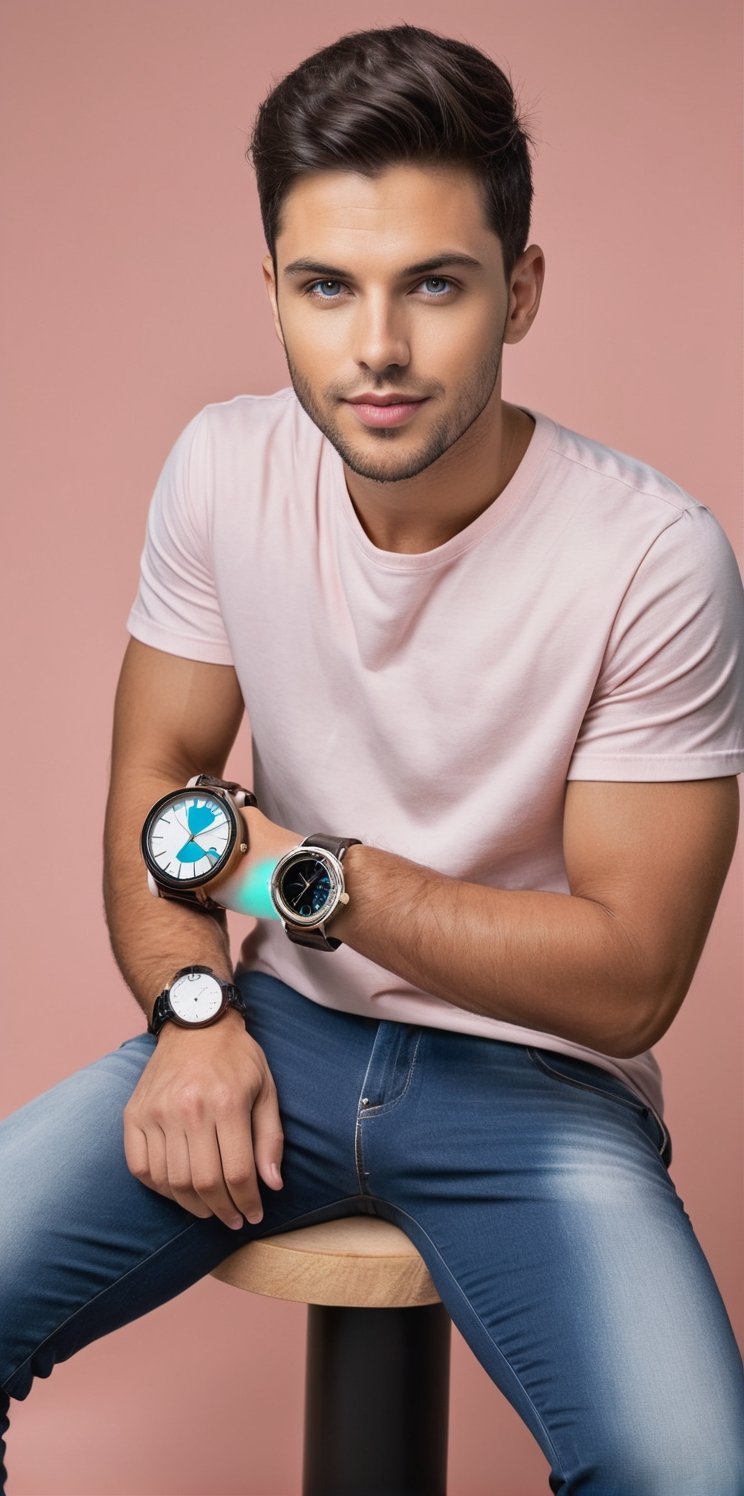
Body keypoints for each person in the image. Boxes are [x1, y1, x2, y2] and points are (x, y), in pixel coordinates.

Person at [2, 21, 743, 1495]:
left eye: (436, 286)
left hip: (539, 1089)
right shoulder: (224, 464)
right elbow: (155, 782)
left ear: (520, 291)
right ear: (270, 283)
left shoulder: (654, 558)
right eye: (327, 287)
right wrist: (197, 1007)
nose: (379, 349)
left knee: (688, 1477)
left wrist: (302, 875)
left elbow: (630, 976)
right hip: (273, 1029)